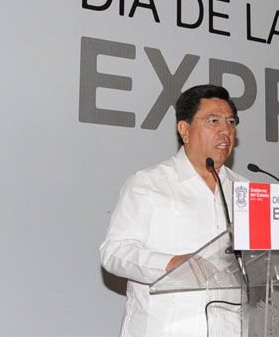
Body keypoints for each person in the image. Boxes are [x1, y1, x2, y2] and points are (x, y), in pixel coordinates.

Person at [100, 84, 248, 337]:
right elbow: (114, 252)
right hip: (166, 328)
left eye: (231, 122)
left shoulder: (245, 190)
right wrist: (170, 263)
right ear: (184, 130)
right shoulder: (148, 183)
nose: (226, 131)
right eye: (214, 121)